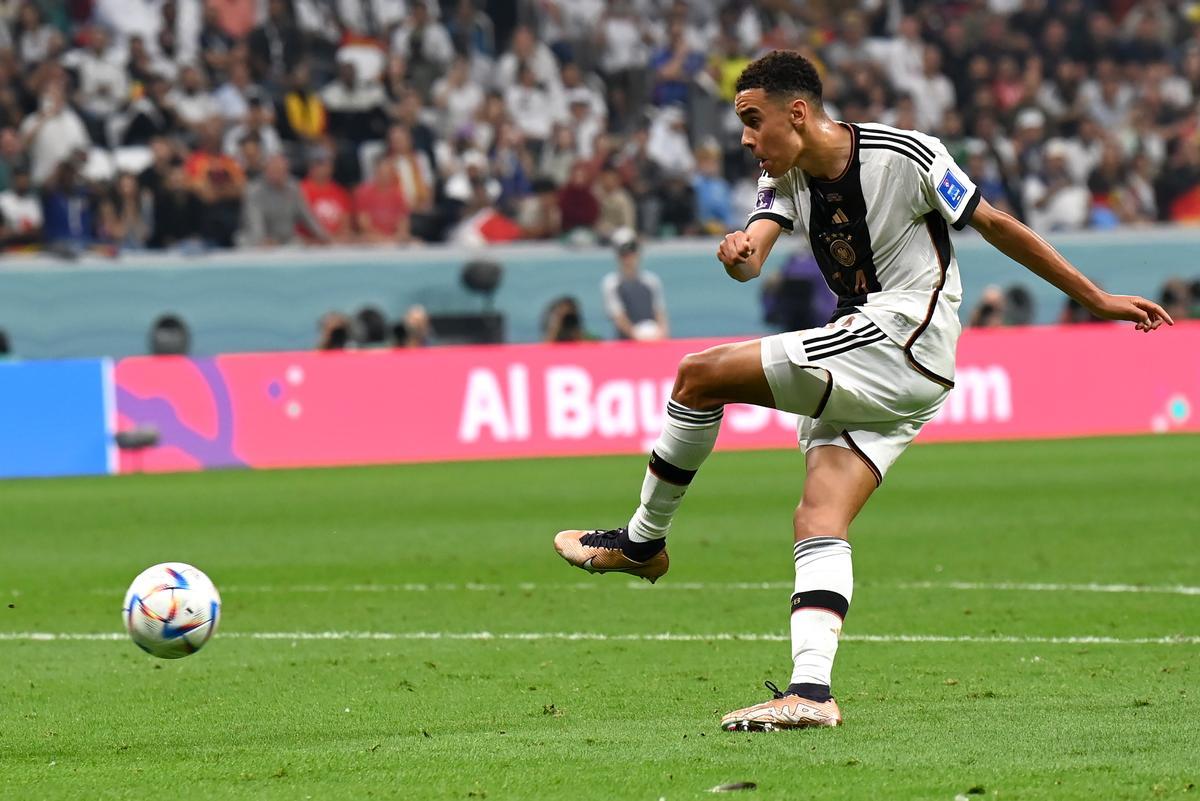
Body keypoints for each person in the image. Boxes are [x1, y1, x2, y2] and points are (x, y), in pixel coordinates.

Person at [552, 50, 1173, 733]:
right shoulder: (784, 178)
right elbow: (754, 253)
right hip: (885, 362)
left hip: (905, 333)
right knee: (819, 515)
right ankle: (811, 693)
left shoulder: (905, 155)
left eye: (753, 120)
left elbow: (993, 223)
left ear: (798, 112)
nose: (745, 139)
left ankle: (642, 542)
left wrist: (1095, 297)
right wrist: (739, 256)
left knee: (699, 375)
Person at [600, 227, 669, 340]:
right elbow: (618, 317)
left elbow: (660, 313)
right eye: (624, 252)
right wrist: (637, 336)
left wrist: (661, 334)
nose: (629, 257)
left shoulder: (651, 281)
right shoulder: (611, 283)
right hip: (626, 344)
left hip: (654, 341)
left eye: (632, 250)